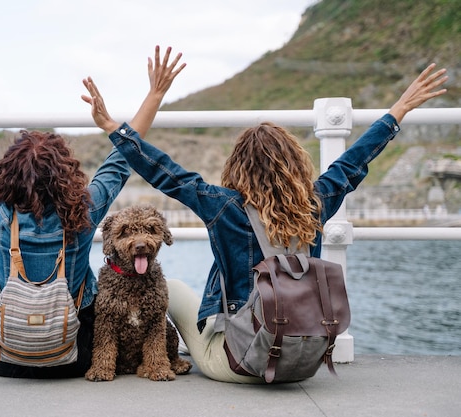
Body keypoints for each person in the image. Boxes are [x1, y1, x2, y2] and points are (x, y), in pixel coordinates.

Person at [83, 61, 448, 383]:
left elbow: (169, 175)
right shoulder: (315, 203)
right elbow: (351, 165)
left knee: (173, 287)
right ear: (295, 164)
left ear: (238, 167)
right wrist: (398, 110)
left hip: (238, 364)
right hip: (302, 365)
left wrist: (115, 127)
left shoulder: (224, 207)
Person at [0, 45, 185, 378]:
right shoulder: (85, 209)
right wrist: (155, 94)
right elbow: (121, 160)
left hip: (5, 360)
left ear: (8, 173)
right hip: (74, 356)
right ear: (68, 173)